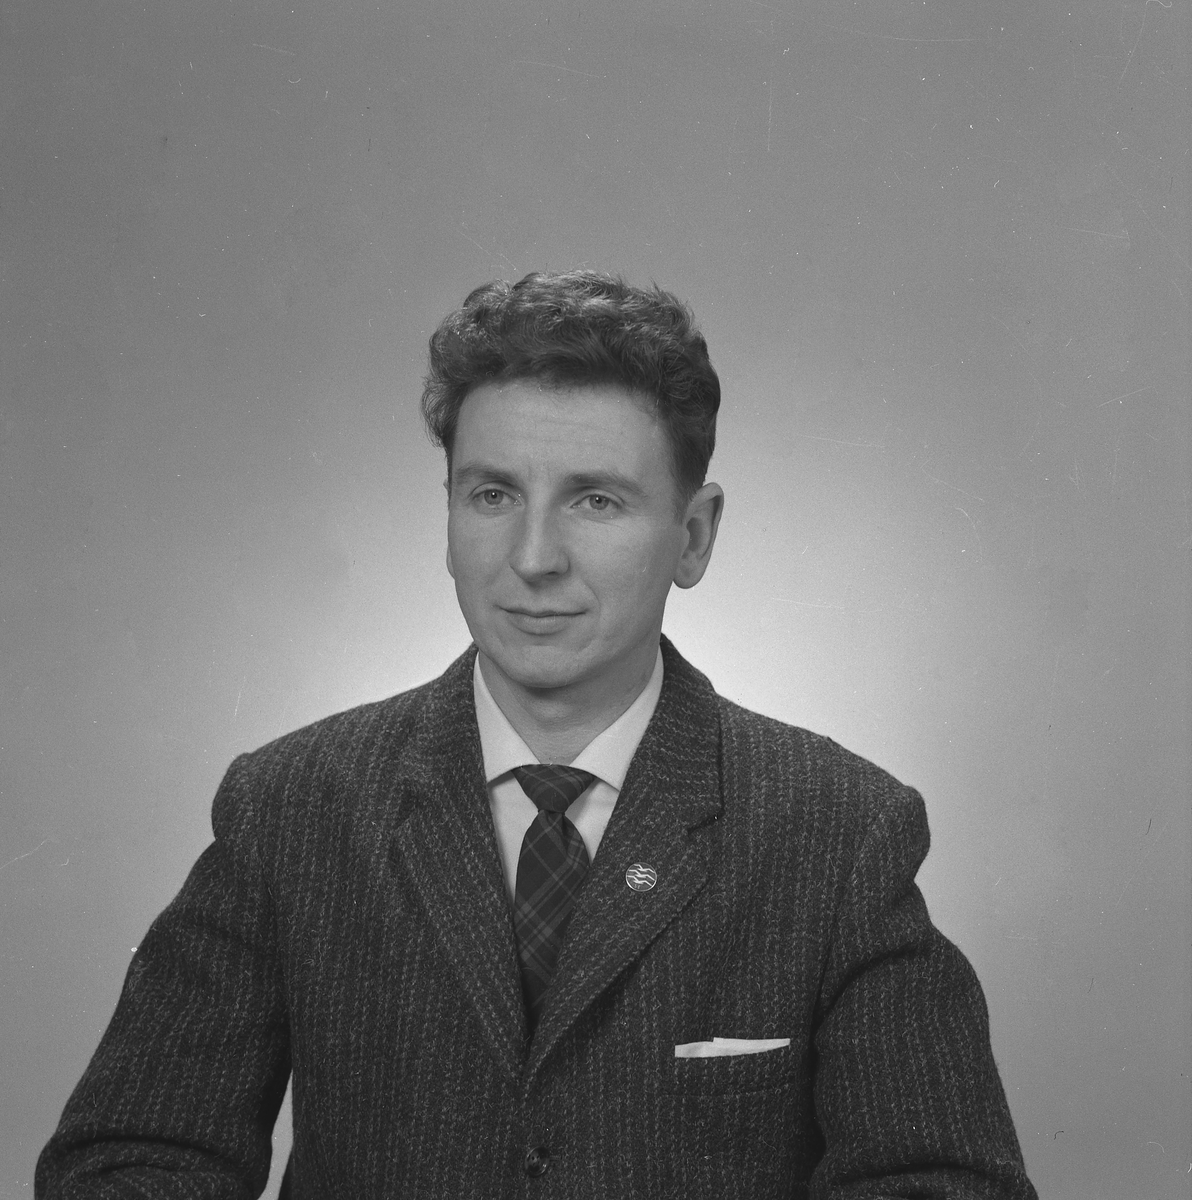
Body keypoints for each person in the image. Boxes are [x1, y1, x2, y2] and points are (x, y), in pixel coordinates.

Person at [36, 271, 1037, 1199]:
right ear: (447, 514)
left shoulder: (837, 830)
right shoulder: (291, 808)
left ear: (692, 537)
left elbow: (941, 1186)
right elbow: (132, 1162)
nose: (533, 557)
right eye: (493, 494)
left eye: (594, 500)